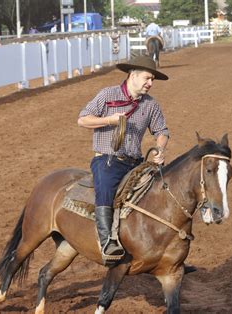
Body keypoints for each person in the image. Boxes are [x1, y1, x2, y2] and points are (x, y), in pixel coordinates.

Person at [77, 56, 169, 265]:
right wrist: (108, 119)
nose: (150, 83)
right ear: (133, 75)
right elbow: (82, 119)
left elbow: (162, 131)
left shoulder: (151, 105)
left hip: (135, 162)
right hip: (108, 160)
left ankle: (164, 248)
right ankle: (107, 242)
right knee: (106, 189)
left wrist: (159, 149)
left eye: (152, 79)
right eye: (147, 78)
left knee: (160, 189)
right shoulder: (107, 95)